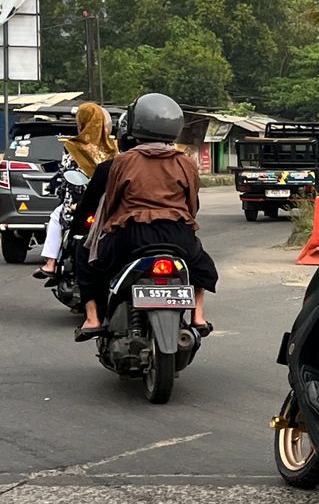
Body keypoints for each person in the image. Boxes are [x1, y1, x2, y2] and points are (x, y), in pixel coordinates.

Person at [75, 93, 218, 341]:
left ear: (135, 125)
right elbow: (192, 206)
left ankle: (92, 318)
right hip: (177, 236)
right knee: (202, 266)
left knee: (85, 256)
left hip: (131, 235)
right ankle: (198, 316)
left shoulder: (122, 161)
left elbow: (111, 203)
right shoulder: (186, 163)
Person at [34, 102, 118, 280]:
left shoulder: (72, 146)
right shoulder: (112, 148)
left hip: (79, 203)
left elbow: (65, 176)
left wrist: (62, 194)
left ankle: (50, 264)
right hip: (108, 204)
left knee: (56, 217)